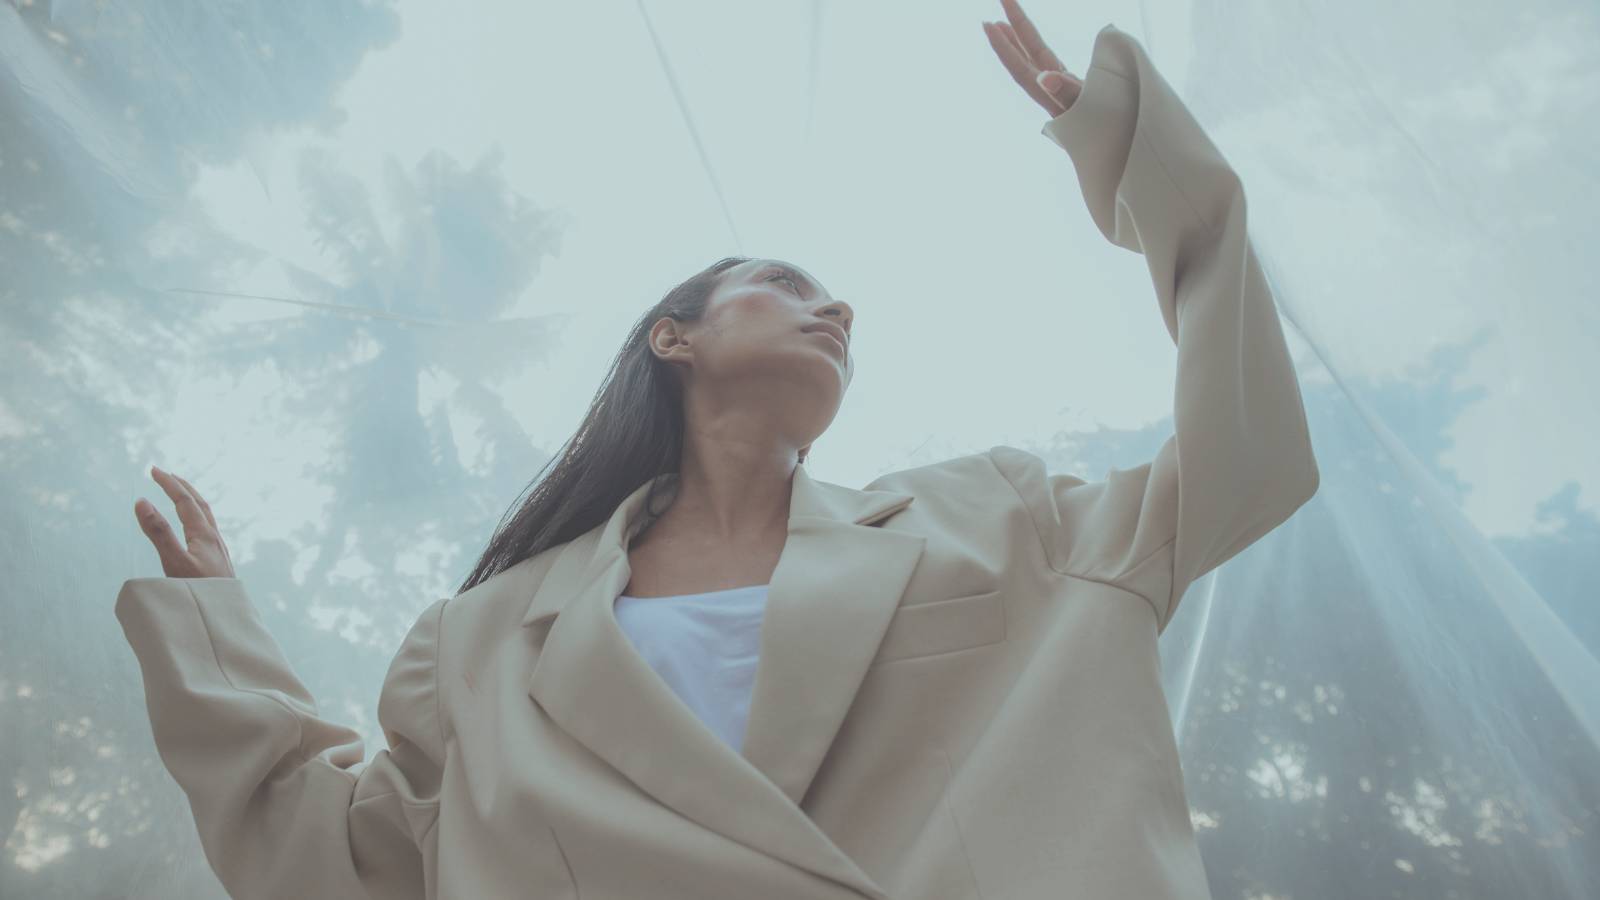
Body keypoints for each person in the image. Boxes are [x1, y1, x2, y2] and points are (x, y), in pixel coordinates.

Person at [117, 1, 1319, 897]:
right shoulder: (480, 642)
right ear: (673, 336)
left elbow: (1245, 454)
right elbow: (334, 864)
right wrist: (219, 632)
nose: (834, 307)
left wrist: (1143, 170)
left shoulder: (1004, 517)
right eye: (784, 283)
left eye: (836, 299)